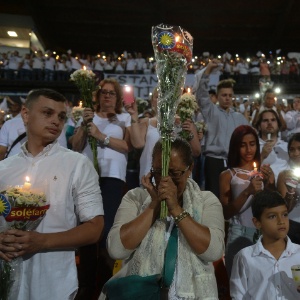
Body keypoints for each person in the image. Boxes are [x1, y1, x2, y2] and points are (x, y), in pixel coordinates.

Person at [0, 88, 104, 300]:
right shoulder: (4, 168)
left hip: (55, 283)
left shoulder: (77, 164)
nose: (56, 121)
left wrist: (42, 241)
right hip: (6, 282)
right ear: (26, 114)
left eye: (61, 116)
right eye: (47, 113)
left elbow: (95, 228)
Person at [99, 138, 225, 299]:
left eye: (174, 173)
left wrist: (176, 209)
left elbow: (213, 251)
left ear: (190, 169)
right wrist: (154, 205)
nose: (166, 181)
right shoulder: (135, 198)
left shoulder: (207, 200)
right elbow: (116, 249)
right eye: (159, 172)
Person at [71, 78, 131, 289]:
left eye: (111, 93)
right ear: (97, 96)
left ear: (117, 97)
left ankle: (105, 281)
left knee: (106, 229)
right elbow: (76, 146)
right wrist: (84, 125)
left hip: (113, 177)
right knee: (87, 225)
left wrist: (100, 135)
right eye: (103, 92)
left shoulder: (124, 118)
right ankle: (86, 283)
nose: (106, 96)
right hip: (88, 178)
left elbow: (127, 146)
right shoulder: (89, 116)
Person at [219, 125, 275, 276]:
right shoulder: (228, 175)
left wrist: (270, 184)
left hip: (263, 233)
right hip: (239, 232)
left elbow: (271, 208)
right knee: (238, 282)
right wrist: (248, 191)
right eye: (243, 145)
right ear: (235, 147)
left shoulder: (263, 172)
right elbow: (226, 213)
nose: (249, 150)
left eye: (252, 144)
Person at [230, 190, 300, 299]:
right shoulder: (245, 257)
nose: (281, 221)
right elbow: (238, 296)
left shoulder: (298, 254)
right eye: (272, 216)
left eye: (284, 214)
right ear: (257, 222)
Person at [195, 59, 248, 198]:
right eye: (224, 95)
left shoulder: (239, 118)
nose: (227, 98)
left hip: (234, 161)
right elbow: (201, 94)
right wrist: (207, 71)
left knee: (232, 196)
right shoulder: (211, 111)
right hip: (213, 161)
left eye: (230, 95)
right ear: (217, 96)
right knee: (213, 197)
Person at [125, 87, 201, 185]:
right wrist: (134, 115)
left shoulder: (184, 123)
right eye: (158, 97)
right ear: (152, 102)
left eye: (165, 97)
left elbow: (196, 152)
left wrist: (190, 133)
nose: (162, 100)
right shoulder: (146, 122)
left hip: (178, 178)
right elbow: (137, 144)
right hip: (151, 178)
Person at [254, 109, 289, 183]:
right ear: (259, 126)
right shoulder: (253, 146)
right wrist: (262, 155)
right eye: (265, 120)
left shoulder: (287, 147)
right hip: (262, 188)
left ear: (278, 125)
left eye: (273, 120)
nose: (269, 123)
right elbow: (247, 171)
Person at [277, 133, 300, 244]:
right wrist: (291, 192)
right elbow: (285, 209)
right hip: (291, 226)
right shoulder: (284, 175)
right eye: (292, 149)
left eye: (299, 149)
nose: (296, 153)